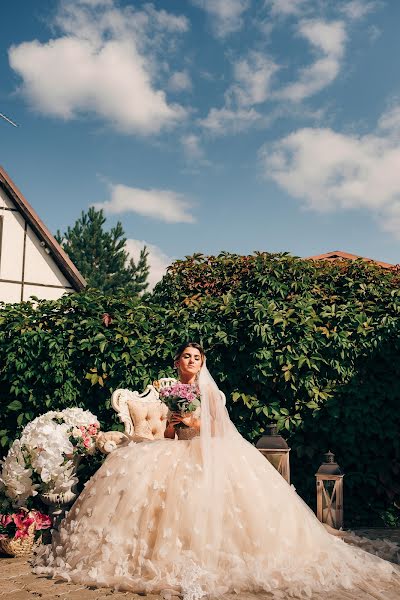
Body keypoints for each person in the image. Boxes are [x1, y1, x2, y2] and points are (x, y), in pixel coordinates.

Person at [33, 342, 400, 600]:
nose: (191, 360)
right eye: (186, 356)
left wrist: (192, 419)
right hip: (174, 448)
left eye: (196, 356)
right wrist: (177, 422)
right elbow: (173, 433)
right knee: (137, 473)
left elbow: (216, 429)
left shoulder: (207, 391)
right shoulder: (171, 390)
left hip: (207, 448)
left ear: (201, 362)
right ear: (177, 361)